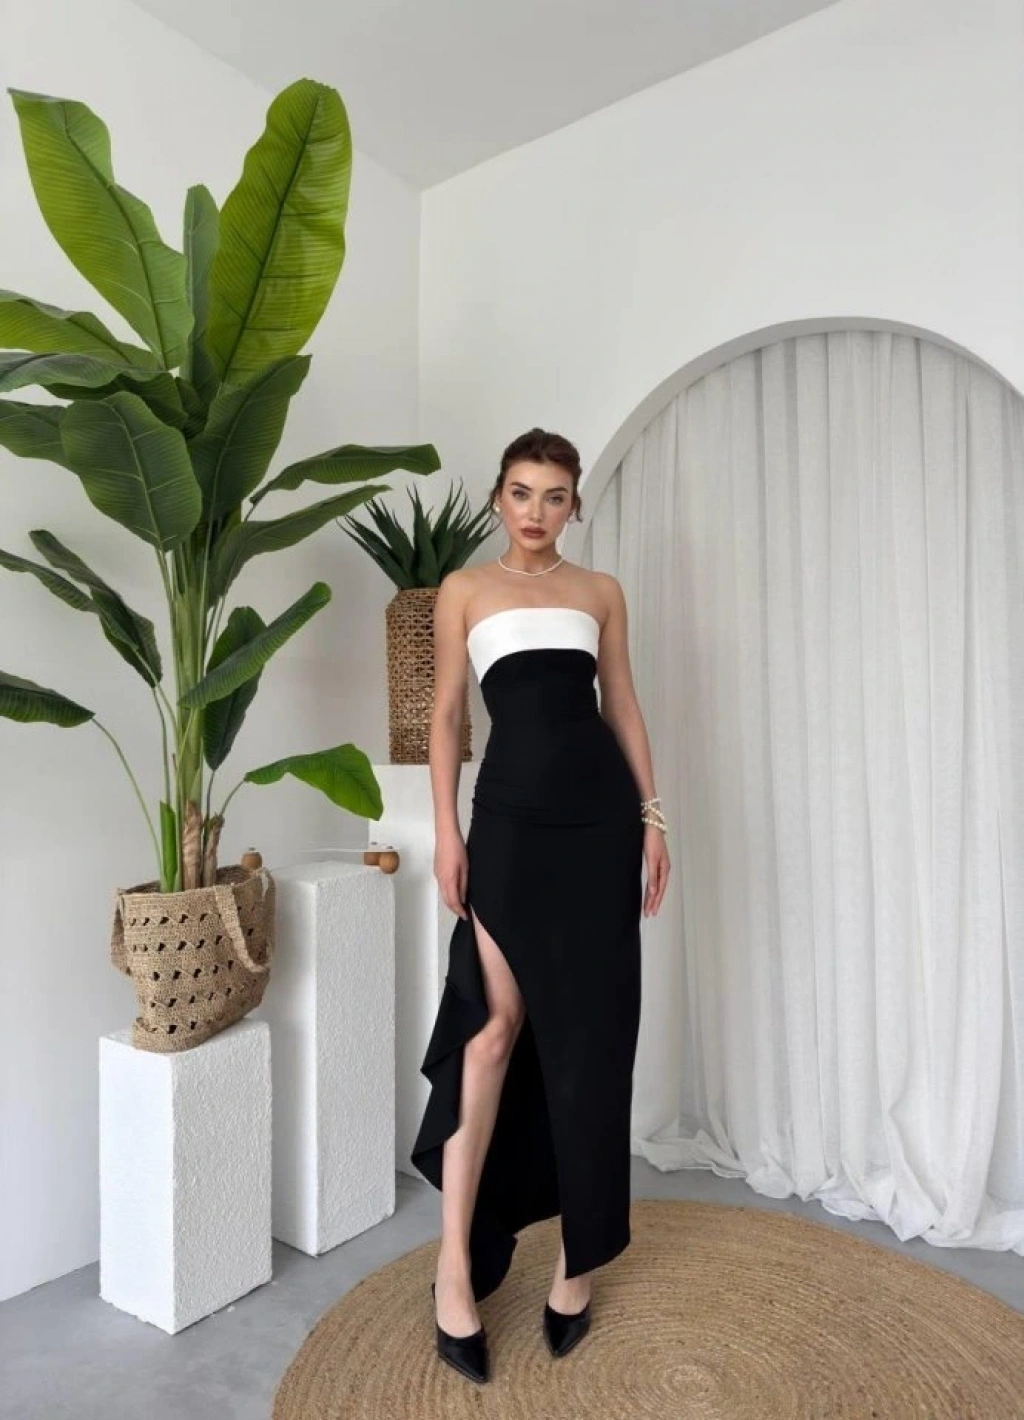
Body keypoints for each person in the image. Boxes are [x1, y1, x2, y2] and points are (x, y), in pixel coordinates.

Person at [410, 428, 670, 1384]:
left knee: (590, 1041)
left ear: (573, 506)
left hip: (599, 827)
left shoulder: (600, 593)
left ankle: (575, 1264)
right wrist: (447, 834)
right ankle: (454, 1265)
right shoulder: (464, 590)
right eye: (521, 492)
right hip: (510, 829)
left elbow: (622, 706)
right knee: (490, 1033)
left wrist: (652, 818)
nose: (535, 511)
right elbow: (448, 713)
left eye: (554, 496)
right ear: (498, 498)